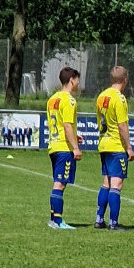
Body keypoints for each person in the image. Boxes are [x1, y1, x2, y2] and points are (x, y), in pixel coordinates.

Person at [94, 66, 134, 230]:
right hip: (116, 145)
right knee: (116, 184)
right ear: (125, 80)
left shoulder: (101, 96)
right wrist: (129, 147)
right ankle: (113, 223)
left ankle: (99, 219)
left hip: (104, 143)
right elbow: (122, 125)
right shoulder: (120, 98)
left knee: (107, 183)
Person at [46, 67, 82, 229]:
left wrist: (75, 136)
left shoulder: (53, 99)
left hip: (54, 145)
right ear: (72, 79)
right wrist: (75, 147)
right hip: (63, 147)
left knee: (58, 181)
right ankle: (57, 221)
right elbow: (67, 124)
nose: (78, 83)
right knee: (60, 184)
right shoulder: (69, 100)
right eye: (77, 80)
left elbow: (61, 124)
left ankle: (53, 219)